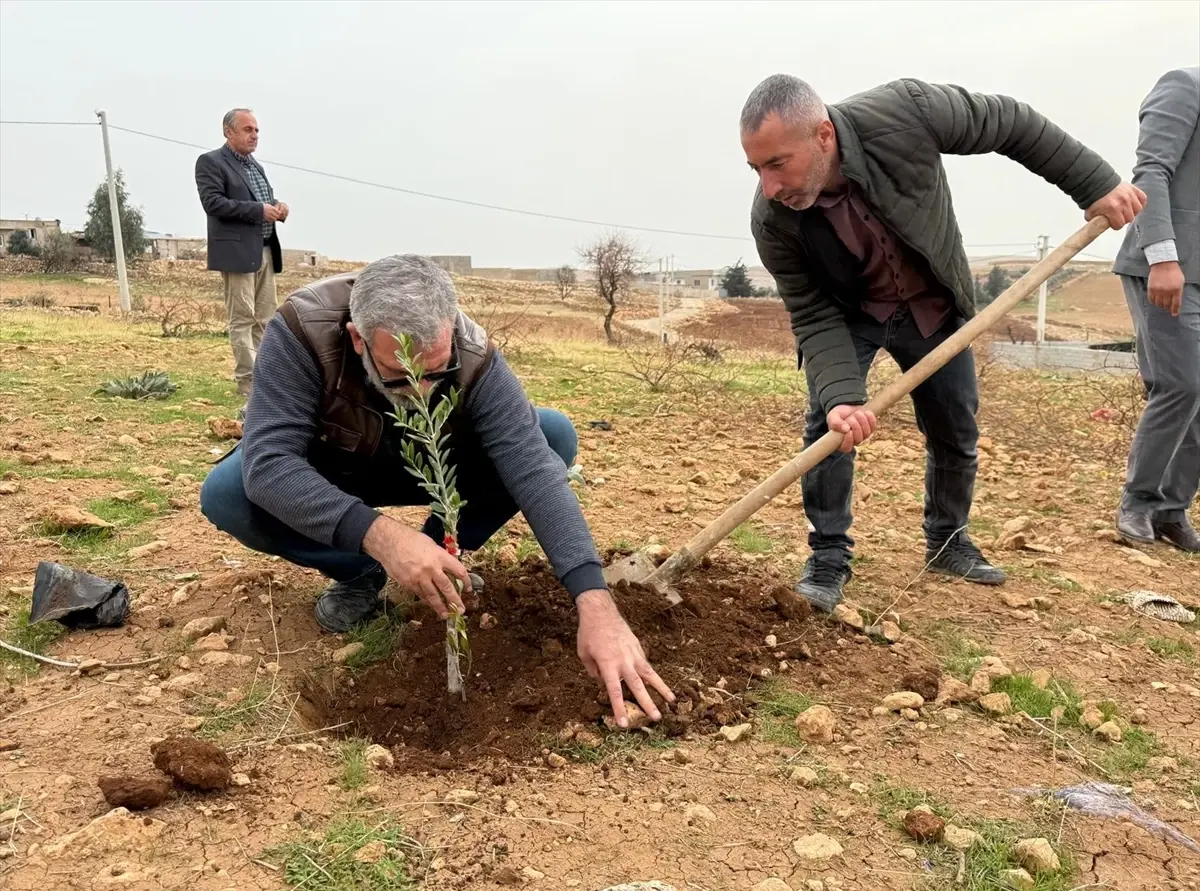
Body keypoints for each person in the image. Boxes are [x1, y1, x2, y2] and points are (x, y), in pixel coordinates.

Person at [199, 254, 674, 727]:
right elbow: (269, 464)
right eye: (401, 375)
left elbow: (532, 468)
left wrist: (595, 602)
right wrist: (383, 539)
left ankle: (440, 562)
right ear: (358, 340)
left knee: (550, 436)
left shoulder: (472, 350)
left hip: (431, 463)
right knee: (229, 491)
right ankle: (362, 571)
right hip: (332, 467)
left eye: (436, 373)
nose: (423, 391)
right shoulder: (303, 331)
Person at [740, 74, 1146, 611]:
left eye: (777, 164)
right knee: (827, 428)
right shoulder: (773, 219)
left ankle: (948, 540)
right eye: (755, 168)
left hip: (930, 303)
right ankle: (829, 556)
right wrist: (842, 396)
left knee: (955, 424)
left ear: (823, 135)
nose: (769, 186)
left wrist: (1094, 182)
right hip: (849, 315)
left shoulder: (906, 111)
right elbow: (812, 312)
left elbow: (1012, 124)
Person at [1113, 66, 1200, 552]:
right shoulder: (1186, 85)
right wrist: (1164, 257)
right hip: (1169, 269)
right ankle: (1139, 502)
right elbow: (1151, 172)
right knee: (1181, 384)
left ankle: (1172, 509)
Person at [194, 108, 289, 403]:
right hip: (237, 253)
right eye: (248, 130)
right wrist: (259, 211)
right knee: (242, 318)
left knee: (265, 319)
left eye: (257, 130)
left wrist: (276, 207)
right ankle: (247, 383)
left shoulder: (254, 166)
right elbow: (214, 203)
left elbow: (258, 200)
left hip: (264, 250)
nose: (255, 135)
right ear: (228, 132)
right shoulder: (210, 162)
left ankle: (266, 379)